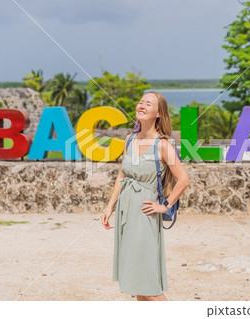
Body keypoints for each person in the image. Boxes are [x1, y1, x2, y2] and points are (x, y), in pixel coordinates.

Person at [101, 91, 190, 301]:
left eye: (148, 104)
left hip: (145, 214)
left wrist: (164, 206)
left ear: (158, 113)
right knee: (136, 280)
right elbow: (122, 175)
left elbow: (184, 179)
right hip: (126, 212)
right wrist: (110, 207)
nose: (142, 105)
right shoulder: (130, 139)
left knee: (148, 284)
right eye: (140, 102)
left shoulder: (162, 144)